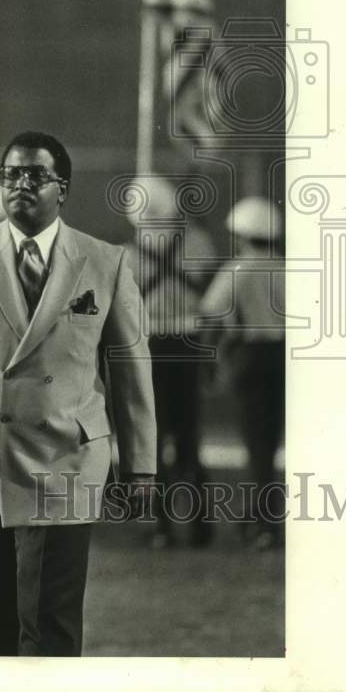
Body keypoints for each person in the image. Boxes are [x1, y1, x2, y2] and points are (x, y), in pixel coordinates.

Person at [0, 131, 156, 656]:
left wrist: (142, 468)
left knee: (51, 621)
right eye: (11, 174)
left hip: (67, 457)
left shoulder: (105, 262)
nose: (21, 184)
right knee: (0, 609)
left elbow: (132, 370)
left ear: (61, 188)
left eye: (35, 175)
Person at [125, 177, 215, 548]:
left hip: (150, 348)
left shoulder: (129, 253)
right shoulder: (198, 242)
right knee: (189, 436)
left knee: (152, 440)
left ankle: (160, 526)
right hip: (190, 344)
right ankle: (198, 526)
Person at [200, 197, 285, 550]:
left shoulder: (238, 269)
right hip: (283, 356)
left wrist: (210, 359)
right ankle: (263, 514)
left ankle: (262, 519)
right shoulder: (287, 268)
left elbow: (211, 312)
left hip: (249, 354)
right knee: (271, 440)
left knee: (256, 442)